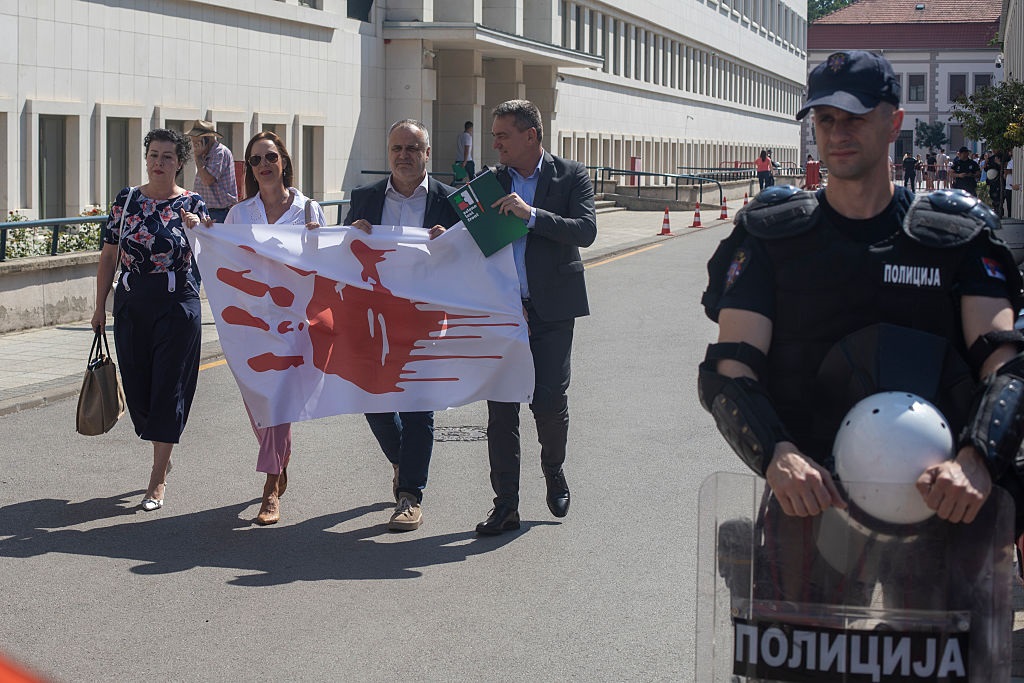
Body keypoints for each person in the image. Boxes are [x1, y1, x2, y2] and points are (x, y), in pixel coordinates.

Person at [699, 49, 1024, 611]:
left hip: (941, 502)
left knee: (937, 668)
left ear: (893, 122)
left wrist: (977, 460)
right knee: (795, 667)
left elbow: (1007, 365)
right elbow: (732, 368)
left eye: (854, 117)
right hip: (811, 500)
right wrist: (776, 456)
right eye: (825, 120)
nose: (837, 133)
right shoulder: (773, 239)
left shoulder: (955, 239)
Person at [476, 99, 597, 535]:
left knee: (548, 403)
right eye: (494, 135)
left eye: (503, 135)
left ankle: (554, 469)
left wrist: (532, 217)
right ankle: (505, 503)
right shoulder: (489, 181)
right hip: (503, 313)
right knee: (501, 410)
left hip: (552, 312)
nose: (495, 143)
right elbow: (466, 233)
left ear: (531, 135)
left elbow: (585, 230)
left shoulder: (571, 175)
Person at [343, 119, 460, 532]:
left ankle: (409, 495)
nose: (404, 155)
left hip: (427, 317)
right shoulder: (365, 198)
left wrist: (453, 243)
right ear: (388, 153)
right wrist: (348, 236)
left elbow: (475, 257)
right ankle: (402, 460)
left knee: (417, 409)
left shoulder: (451, 201)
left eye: (413, 148)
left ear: (427, 154)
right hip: (375, 318)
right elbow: (342, 260)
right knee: (373, 402)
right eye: (397, 148)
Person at [90, 128, 209, 512]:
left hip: (177, 305)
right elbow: (109, 256)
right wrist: (98, 307)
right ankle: (162, 448)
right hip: (131, 303)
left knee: (168, 387)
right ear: (146, 158)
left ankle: (157, 478)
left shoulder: (192, 205)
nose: (159, 163)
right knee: (139, 389)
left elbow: (213, 257)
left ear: (180, 163)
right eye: (154, 155)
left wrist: (199, 229)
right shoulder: (126, 201)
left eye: (168, 157)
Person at [223, 130, 326, 526]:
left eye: (270, 157)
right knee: (258, 405)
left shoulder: (310, 210)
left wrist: (318, 242)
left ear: (283, 161)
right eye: (255, 160)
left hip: (293, 324)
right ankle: (279, 463)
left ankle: (269, 489)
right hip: (249, 323)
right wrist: (199, 229)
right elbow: (224, 260)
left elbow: (326, 264)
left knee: (278, 403)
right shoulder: (238, 214)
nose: (264, 165)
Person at [186, 120, 237, 288]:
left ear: (206, 140)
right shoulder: (204, 156)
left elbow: (207, 179)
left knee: (216, 263)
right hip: (203, 212)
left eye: (196, 142)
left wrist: (197, 158)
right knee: (196, 261)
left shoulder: (219, 153)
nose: (194, 146)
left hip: (219, 214)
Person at [1006, 152, 1017, 219]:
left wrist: (1006, 170)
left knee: (1013, 204)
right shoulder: (1010, 162)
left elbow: (1011, 171)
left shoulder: (1014, 162)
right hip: (1008, 186)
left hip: (1014, 186)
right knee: (1009, 204)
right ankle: (1009, 216)